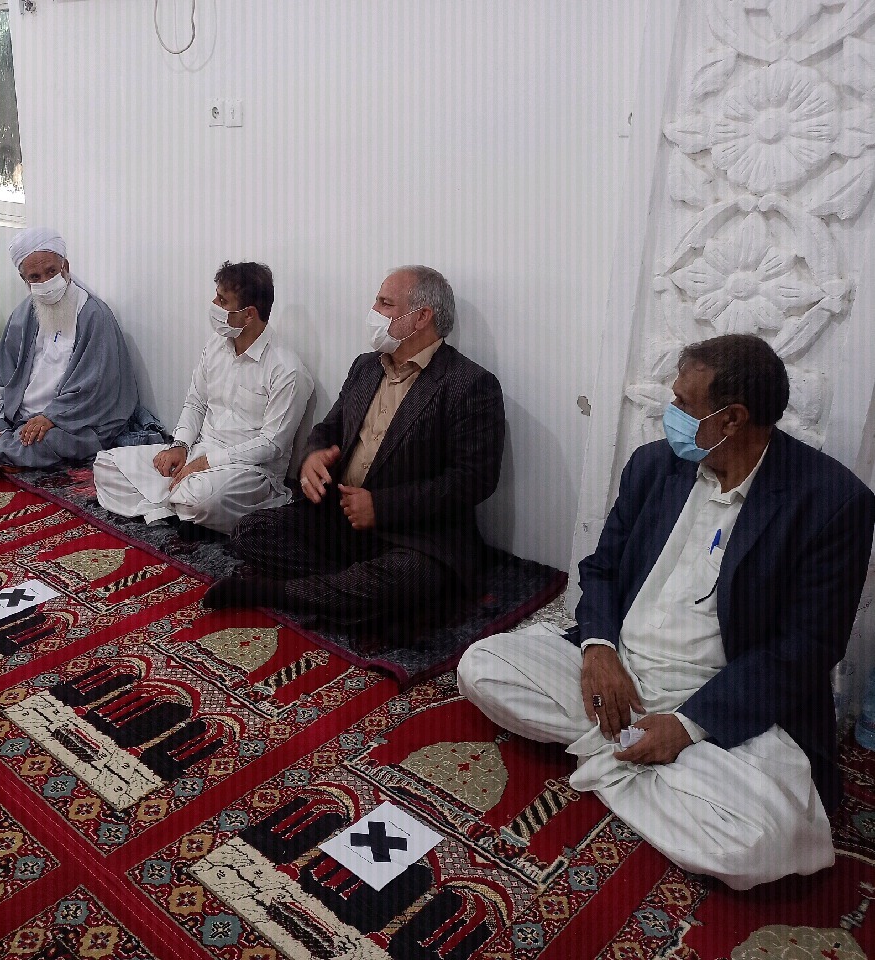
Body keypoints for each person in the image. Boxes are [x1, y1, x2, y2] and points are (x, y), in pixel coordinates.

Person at [458, 335, 875, 890]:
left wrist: (687, 726)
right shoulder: (655, 466)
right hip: (619, 671)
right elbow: (602, 568)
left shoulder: (832, 502)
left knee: (756, 843)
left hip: (719, 698)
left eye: (683, 403)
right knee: (482, 666)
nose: (669, 412)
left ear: (731, 420)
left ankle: (623, 754)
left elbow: (805, 648)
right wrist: (598, 649)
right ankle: (642, 760)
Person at [205, 265, 505, 641]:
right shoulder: (366, 366)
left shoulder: (469, 384)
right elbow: (328, 429)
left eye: (385, 303)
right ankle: (349, 594)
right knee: (250, 530)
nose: (373, 311)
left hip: (414, 535)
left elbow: (473, 481)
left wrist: (381, 506)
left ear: (422, 317)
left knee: (408, 578)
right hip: (341, 520)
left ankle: (276, 593)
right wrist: (312, 457)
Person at [93, 261, 311, 535]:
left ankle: (170, 504)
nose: (213, 305)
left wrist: (207, 463)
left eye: (223, 301)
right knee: (106, 464)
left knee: (201, 499)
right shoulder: (216, 344)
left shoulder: (287, 370)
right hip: (199, 452)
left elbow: (272, 445)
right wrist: (180, 446)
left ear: (249, 314)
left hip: (248, 471)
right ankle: (171, 509)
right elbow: (196, 402)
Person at [0, 227, 139, 478]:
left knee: (49, 440)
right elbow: (3, 367)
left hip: (70, 418)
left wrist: (51, 417)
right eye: (35, 276)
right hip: (21, 408)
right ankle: (4, 443)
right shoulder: (25, 312)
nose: (45, 282)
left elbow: (95, 385)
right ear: (25, 280)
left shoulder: (93, 314)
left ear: (65, 267)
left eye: (51, 271)